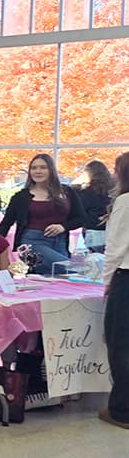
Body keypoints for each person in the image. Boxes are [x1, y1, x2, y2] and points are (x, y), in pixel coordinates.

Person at [0, 154, 85, 274]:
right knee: (73, 270)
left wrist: (63, 227)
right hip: (31, 243)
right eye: (34, 168)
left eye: (43, 167)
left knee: (60, 280)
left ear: (51, 170)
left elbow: (81, 218)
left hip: (60, 242)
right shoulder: (21, 197)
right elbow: (6, 223)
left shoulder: (67, 192)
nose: (38, 171)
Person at [100, 152, 129, 429]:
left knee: (120, 344)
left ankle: (122, 410)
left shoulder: (125, 201)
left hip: (126, 277)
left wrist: (107, 280)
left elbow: (116, 247)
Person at [75, 159, 114, 252]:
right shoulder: (114, 190)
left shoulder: (86, 192)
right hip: (111, 231)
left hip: (92, 230)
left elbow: (80, 211)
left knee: (93, 260)